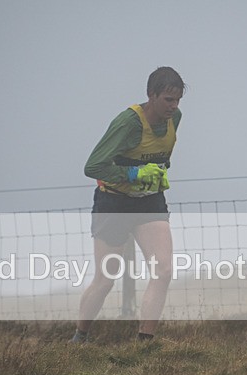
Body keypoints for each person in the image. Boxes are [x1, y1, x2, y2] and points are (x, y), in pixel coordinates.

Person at [71, 66, 186, 343]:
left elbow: (158, 154)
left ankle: (144, 343)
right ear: (151, 95)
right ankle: (80, 337)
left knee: (164, 271)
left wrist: (157, 172)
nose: (174, 106)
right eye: (168, 100)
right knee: (106, 279)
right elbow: (93, 166)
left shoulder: (175, 118)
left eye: (178, 100)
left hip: (149, 202)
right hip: (113, 203)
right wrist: (132, 175)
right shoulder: (128, 123)